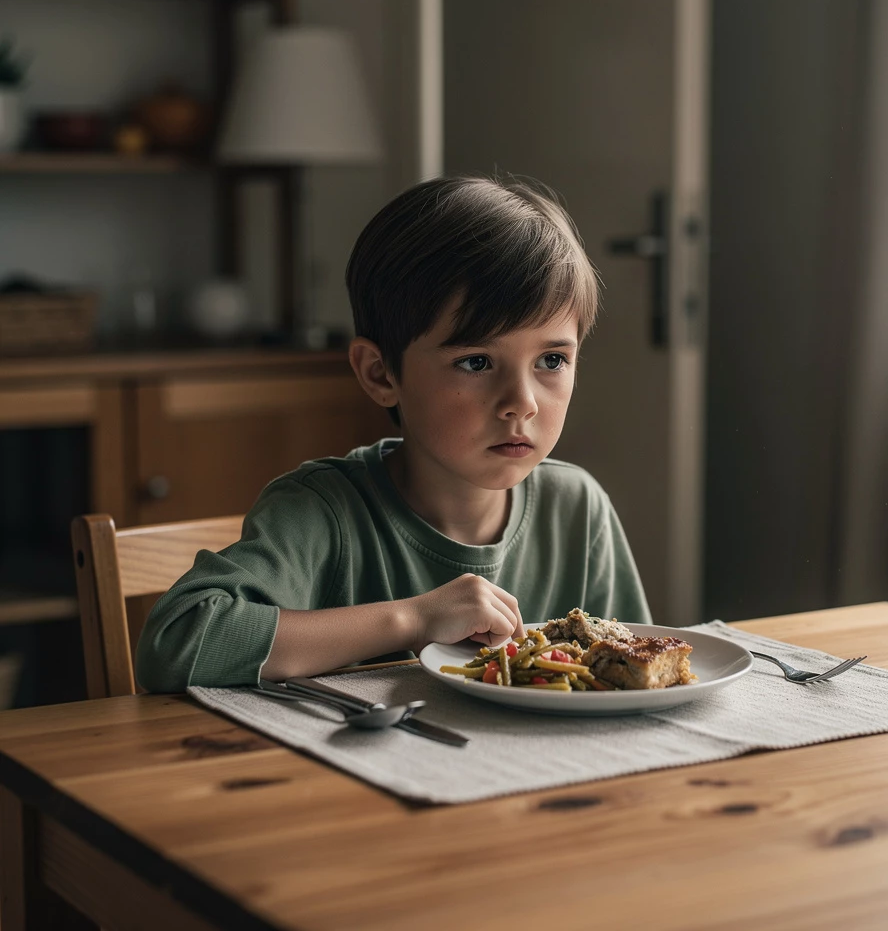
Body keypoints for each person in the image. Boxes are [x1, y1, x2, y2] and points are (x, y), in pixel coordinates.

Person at [135, 175, 651, 692]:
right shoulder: (322, 512)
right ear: (381, 374)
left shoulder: (578, 509)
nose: (523, 402)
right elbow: (176, 642)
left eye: (552, 359)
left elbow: (637, 675)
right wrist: (413, 620)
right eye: (476, 361)